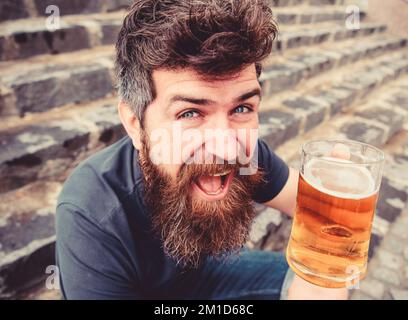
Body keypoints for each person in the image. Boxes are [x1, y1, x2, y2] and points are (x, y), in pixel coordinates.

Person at [56, 0, 348, 300]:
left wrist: (328, 245)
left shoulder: (245, 151)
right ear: (134, 123)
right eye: (190, 113)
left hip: (205, 273)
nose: (225, 147)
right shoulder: (90, 213)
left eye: (242, 107)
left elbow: (316, 207)